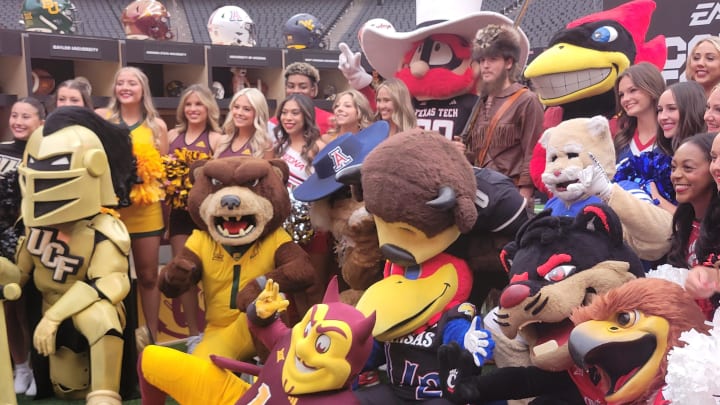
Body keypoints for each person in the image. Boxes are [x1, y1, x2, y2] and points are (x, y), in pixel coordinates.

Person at [96, 66, 169, 348]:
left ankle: (151, 340)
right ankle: (120, 342)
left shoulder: (156, 126)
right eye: (120, 83)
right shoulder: (103, 119)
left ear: (143, 90)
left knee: (149, 276)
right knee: (115, 275)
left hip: (146, 210)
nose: (125, 87)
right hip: (112, 210)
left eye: (132, 83)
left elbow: (163, 172)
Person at [165, 84, 222, 352]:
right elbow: (163, 170)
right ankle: (192, 334)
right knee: (182, 271)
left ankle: (215, 329)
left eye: (198, 104)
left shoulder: (217, 139)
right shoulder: (172, 134)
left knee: (211, 274)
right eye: (188, 104)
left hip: (207, 215)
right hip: (179, 214)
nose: (193, 109)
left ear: (209, 108)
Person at [464, 23, 544, 209]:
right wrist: (463, 153)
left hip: (511, 196)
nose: (485, 66)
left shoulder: (527, 100)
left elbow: (533, 154)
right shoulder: (480, 102)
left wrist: (522, 201)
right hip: (481, 196)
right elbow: (479, 155)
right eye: (482, 60)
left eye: (492, 59)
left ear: (508, 62)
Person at [2, 97, 45, 397]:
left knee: (31, 307)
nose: (18, 121)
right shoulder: (1, 150)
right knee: (9, 305)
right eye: (15, 115)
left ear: (40, 121)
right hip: (2, 238)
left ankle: (40, 368)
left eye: (25, 116)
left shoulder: (47, 152)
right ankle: (21, 367)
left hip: (35, 239)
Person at [660, 133, 720, 320]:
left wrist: (713, 277)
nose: (676, 175)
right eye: (673, 167)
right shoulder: (684, 221)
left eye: (688, 168)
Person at [613, 62, 666, 163]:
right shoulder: (621, 141)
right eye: (621, 95)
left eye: (632, 90)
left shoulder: (672, 138)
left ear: (651, 88)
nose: (625, 99)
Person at [269, 62, 333, 135]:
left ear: (313, 90)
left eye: (303, 87)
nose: (296, 91)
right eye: (291, 86)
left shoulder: (330, 121)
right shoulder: (273, 124)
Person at [213, 87, 272, 159]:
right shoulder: (222, 141)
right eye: (236, 107)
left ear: (258, 113)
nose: (239, 113)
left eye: (247, 109)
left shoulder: (265, 145)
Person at [656, 81, 707, 155]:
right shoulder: (657, 157)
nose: (662, 117)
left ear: (691, 110)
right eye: (660, 110)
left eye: (672, 108)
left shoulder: (711, 153)